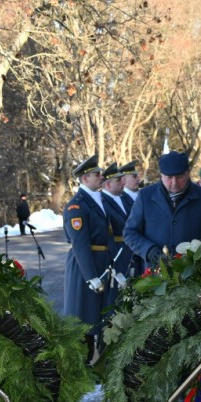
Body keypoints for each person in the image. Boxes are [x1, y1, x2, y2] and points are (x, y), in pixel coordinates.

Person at [124, 151, 201, 266]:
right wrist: (148, 249)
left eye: (179, 177)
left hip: (192, 274)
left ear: (187, 174)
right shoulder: (145, 196)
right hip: (156, 274)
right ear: (161, 176)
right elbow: (130, 232)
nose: (174, 182)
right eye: (169, 177)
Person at [63, 155, 110, 364]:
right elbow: (80, 242)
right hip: (85, 266)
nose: (101, 176)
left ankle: (94, 360)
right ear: (84, 179)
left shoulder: (96, 200)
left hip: (99, 262)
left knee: (97, 315)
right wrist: (90, 276)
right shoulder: (77, 206)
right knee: (83, 317)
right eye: (96, 174)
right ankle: (82, 363)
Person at [100, 163, 133, 309]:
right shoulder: (102, 201)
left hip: (130, 250)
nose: (123, 182)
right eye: (118, 180)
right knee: (115, 299)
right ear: (107, 185)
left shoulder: (124, 198)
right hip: (117, 253)